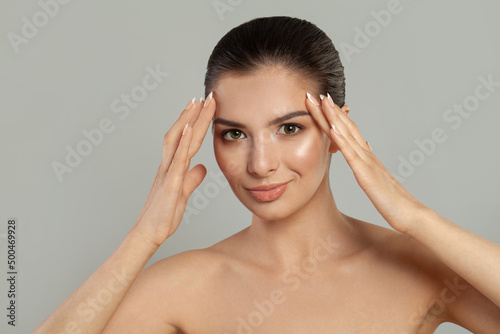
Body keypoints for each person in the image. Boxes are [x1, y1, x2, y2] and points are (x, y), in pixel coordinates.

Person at [34, 16, 500, 334]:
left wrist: (415, 217)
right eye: (234, 134)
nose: (259, 164)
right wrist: (144, 236)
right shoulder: (185, 285)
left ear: (338, 132)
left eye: (289, 128)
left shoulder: (422, 267)